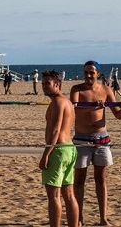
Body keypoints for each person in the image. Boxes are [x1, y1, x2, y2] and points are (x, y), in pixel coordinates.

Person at [70, 61, 121, 226]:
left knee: (101, 179)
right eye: (86, 72)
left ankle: (103, 218)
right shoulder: (77, 89)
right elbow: (74, 108)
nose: (89, 75)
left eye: (92, 72)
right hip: (82, 139)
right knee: (79, 180)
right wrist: (92, 107)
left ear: (98, 74)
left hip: (101, 139)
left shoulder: (106, 90)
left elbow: (117, 115)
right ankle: (79, 218)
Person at [39, 70, 79, 227]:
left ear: (57, 84)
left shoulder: (57, 102)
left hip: (58, 149)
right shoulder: (67, 102)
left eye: (47, 84)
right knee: (69, 194)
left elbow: (55, 130)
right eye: (43, 84)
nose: (44, 87)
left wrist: (46, 154)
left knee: (54, 195)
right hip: (69, 148)